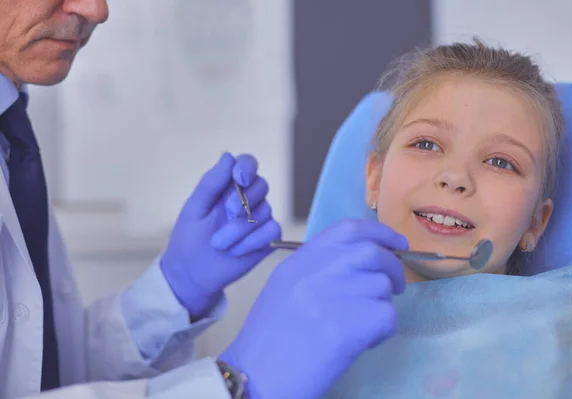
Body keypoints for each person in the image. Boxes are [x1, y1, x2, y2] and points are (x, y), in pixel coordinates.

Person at [1, 1, 410, 398]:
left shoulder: (11, 133)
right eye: (426, 143)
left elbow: (44, 370)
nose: (96, 10)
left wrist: (177, 288)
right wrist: (233, 383)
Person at [323, 39, 572, 398]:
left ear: (536, 222)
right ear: (374, 179)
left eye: (500, 162)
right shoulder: (312, 320)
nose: (455, 176)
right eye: (427, 144)